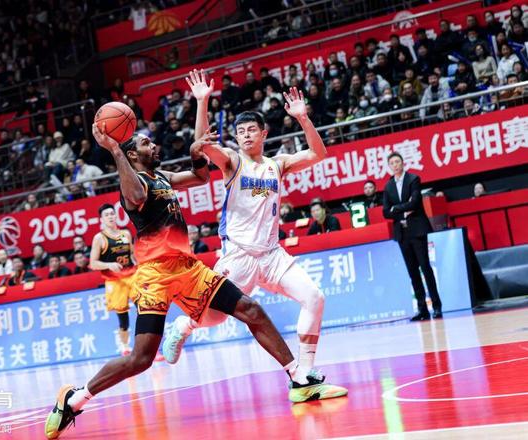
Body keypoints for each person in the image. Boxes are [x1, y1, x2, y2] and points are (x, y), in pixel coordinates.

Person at [44, 119, 337, 439]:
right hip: (155, 276)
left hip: (188, 268)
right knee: (141, 359)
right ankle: (75, 399)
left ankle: (298, 377)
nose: (153, 145)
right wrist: (115, 150)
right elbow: (134, 194)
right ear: (132, 155)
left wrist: (197, 154)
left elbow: (200, 177)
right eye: (145, 144)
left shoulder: (162, 176)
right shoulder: (132, 183)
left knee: (250, 309)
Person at [163, 69, 346, 398]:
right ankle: (184, 325)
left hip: (272, 255)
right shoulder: (233, 162)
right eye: (240, 131)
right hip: (239, 255)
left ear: (264, 133)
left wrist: (303, 119)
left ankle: (304, 376)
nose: (246, 135)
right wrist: (202, 101)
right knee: (213, 318)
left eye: (251, 130)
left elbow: (318, 154)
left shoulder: (278, 164)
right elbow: (202, 147)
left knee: (314, 298)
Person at [383, 152, 443, 321]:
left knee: (425, 268)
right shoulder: (388, 186)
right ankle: (422, 309)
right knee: (413, 272)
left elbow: (415, 202)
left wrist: (396, 208)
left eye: (397, 162)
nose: (395, 165)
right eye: (392, 163)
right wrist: (403, 209)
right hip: (402, 233)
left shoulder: (413, 179)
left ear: (403, 163)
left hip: (417, 230)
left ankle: (436, 306)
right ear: (389, 166)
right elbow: (386, 212)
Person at [89, 204, 138, 356]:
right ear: (101, 219)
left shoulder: (126, 234)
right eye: (107, 215)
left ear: (116, 216)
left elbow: (133, 255)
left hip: (132, 275)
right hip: (114, 280)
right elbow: (93, 263)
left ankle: (147, 347)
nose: (110, 216)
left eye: (112, 213)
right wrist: (109, 265)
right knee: (123, 317)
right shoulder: (99, 238)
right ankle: (125, 347)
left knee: (145, 309)